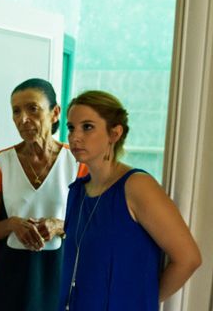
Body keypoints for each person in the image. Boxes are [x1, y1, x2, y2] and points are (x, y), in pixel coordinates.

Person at [59, 90, 201, 310]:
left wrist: (141, 302)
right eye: (71, 128)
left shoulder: (137, 186)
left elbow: (188, 258)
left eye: (87, 127)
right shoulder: (78, 190)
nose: (74, 137)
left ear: (114, 133)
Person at [0, 78, 87, 310]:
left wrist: (58, 225)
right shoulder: (0, 163)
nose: (23, 119)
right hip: (10, 276)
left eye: (32, 108)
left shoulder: (78, 163)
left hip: (59, 275)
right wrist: (13, 224)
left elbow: (91, 225)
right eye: (16, 111)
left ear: (55, 113)